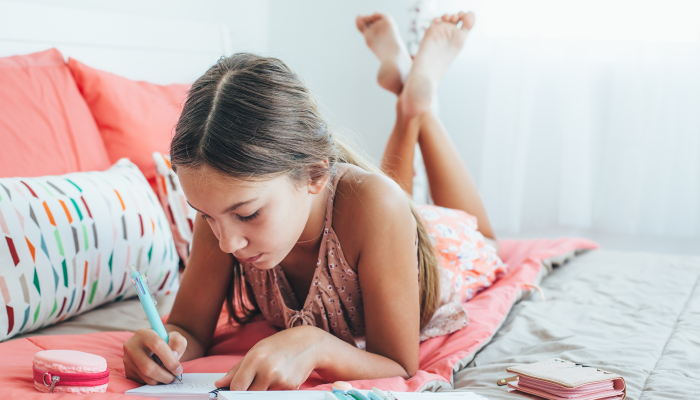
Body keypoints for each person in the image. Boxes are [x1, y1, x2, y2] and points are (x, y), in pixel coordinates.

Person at [123, 11, 505, 391]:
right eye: (205, 217)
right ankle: (408, 92)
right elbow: (187, 328)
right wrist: (161, 346)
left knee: (477, 236)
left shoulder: (376, 207)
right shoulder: (223, 213)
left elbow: (400, 365)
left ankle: (417, 107)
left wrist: (315, 344)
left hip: (439, 250)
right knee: (385, 199)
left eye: (250, 214)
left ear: (315, 174)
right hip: (378, 222)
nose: (227, 243)